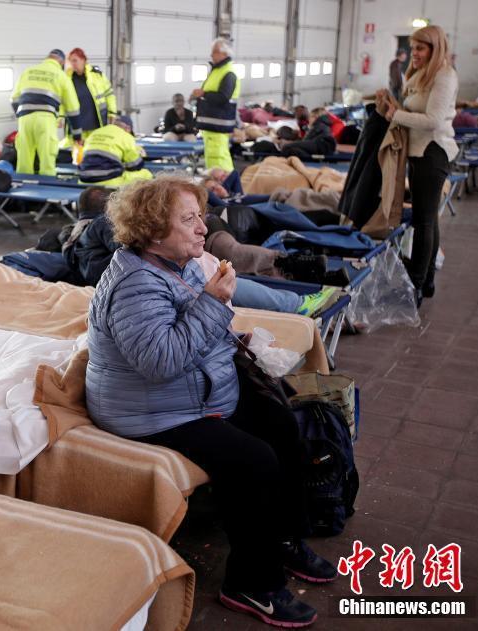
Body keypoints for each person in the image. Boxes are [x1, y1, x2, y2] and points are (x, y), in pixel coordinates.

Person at [85, 176, 335, 628]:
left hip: (186, 392)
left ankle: (284, 541)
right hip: (149, 410)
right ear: (153, 231)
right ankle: (251, 585)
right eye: (189, 219)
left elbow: (188, 333)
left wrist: (233, 336)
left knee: (280, 421)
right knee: (253, 460)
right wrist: (214, 303)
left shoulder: (174, 265)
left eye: (200, 215)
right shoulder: (134, 285)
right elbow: (160, 361)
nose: (203, 228)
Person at [65, 184, 337, 315]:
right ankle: (296, 297)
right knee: (228, 264)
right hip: (191, 245)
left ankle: (296, 289)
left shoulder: (74, 242)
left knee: (227, 261)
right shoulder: (108, 235)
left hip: (190, 243)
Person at [384, 25, 458, 305]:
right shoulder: (418, 74)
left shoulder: (444, 76)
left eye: (420, 48)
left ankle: (415, 285)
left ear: (434, 48)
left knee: (423, 221)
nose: (414, 53)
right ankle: (426, 282)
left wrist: (397, 115)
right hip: (417, 154)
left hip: (433, 152)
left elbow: (434, 120)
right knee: (428, 219)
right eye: (413, 47)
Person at [11, 49, 82, 175]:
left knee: (24, 156)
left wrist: (22, 115)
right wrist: (77, 135)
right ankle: (46, 190)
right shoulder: (61, 76)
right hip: (45, 118)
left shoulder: (28, 71)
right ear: (61, 62)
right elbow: (73, 109)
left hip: (24, 119)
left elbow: (14, 99)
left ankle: (21, 188)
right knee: (47, 156)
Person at [192, 38, 240, 171]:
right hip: (211, 125)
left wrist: (203, 94)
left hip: (218, 125)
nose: (211, 55)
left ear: (224, 54)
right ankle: (216, 185)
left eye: (214, 52)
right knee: (213, 158)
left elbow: (224, 97)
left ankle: (225, 186)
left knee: (219, 158)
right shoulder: (217, 71)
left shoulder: (228, 73)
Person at [78, 115, 153, 186]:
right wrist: (139, 154)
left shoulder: (95, 133)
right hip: (108, 181)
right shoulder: (126, 136)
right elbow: (134, 166)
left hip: (83, 179)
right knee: (146, 174)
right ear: (128, 128)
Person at [62, 47, 116, 144]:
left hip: (95, 122)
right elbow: (62, 100)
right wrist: (60, 117)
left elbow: (109, 94)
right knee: (76, 153)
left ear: (83, 60)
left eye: (75, 60)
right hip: (75, 125)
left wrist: (112, 112)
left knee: (95, 150)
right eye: (70, 61)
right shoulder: (66, 78)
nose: (72, 64)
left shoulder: (97, 75)